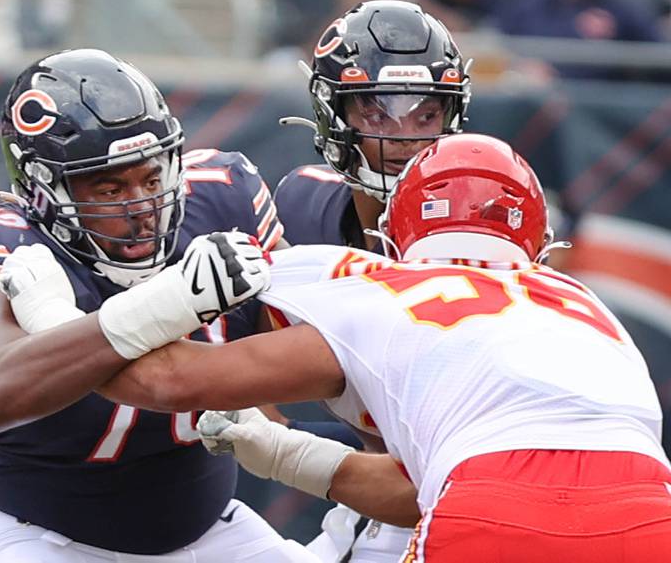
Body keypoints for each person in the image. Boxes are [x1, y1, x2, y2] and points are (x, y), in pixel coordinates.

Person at [81, 133, 671, 561]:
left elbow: (164, 380)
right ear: (537, 241)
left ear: (395, 232)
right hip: (652, 511)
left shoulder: (374, 287)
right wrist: (289, 451)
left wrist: (56, 321)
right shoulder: (587, 307)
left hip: (485, 506)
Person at [0, 48, 323, 563]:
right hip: (44, 534)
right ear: (43, 188)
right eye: (109, 188)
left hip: (210, 528)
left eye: (152, 178)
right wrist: (173, 302)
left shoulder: (225, 197)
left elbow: (325, 343)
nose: (141, 208)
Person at [271, 0, 470, 559]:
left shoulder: (487, 222)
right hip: (366, 501)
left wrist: (292, 452)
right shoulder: (300, 205)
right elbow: (246, 376)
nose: (404, 137)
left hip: (467, 492)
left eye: (425, 114)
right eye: (377, 112)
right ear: (333, 113)